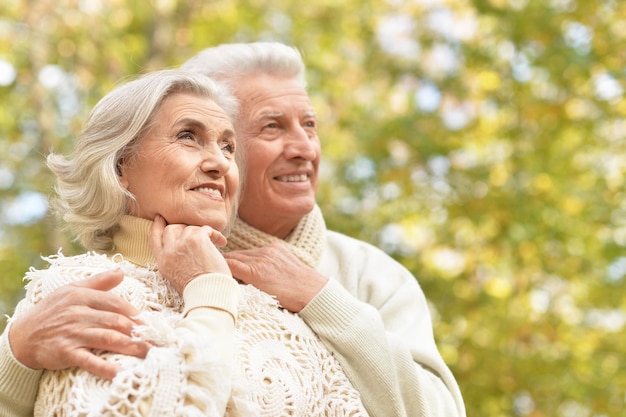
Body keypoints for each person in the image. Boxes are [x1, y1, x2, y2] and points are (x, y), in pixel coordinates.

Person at [0, 42, 465, 416]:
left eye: (309, 125)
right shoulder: (80, 287)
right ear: (122, 166)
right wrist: (15, 357)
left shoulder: (368, 275)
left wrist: (321, 298)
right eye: (270, 127)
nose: (304, 147)